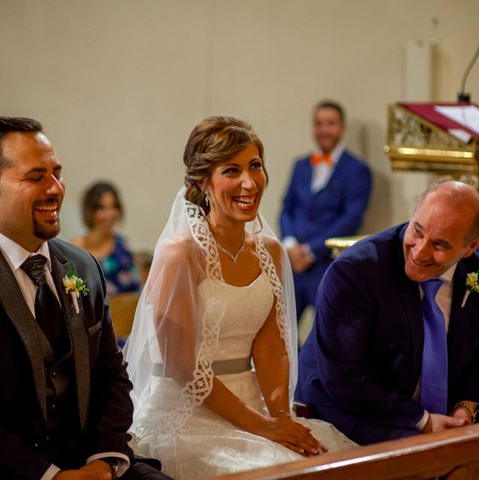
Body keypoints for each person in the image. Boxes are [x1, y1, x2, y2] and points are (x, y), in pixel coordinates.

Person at [0, 117, 170, 480]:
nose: (56, 188)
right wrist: (52, 476)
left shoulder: (82, 265)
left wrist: (104, 461)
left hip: (95, 462)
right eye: (35, 177)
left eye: (57, 173)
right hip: (6, 471)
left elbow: (111, 373)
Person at [124, 116, 356, 479]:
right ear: (203, 181)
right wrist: (261, 428)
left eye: (255, 167)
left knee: (340, 463)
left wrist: (280, 418)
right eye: (231, 170)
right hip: (188, 414)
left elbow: (270, 345)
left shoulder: (271, 251)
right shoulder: (180, 254)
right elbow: (182, 366)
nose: (249, 182)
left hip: (256, 404)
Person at [296, 180, 479, 445]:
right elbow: (344, 378)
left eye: (439, 245)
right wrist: (423, 421)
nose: (420, 251)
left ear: (469, 248)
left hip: (438, 413)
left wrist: (466, 407)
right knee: (433, 460)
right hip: (350, 409)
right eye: (417, 230)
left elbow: (475, 355)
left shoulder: (475, 273)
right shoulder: (355, 272)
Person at [279, 100, 372, 321]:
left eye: (330, 124)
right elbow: (287, 208)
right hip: (292, 264)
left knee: (327, 332)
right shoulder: (300, 165)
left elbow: (351, 219)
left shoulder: (357, 170)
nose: (324, 130)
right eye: (319, 124)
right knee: (279, 331)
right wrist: (290, 245)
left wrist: (311, 251)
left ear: (342, 127)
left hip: (327, 264)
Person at [73, 182, 140, 295]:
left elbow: (136, 290)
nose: (109, 214)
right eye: (102, 208)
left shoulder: (124, 246)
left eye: (113, 207)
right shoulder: (76, 249)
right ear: (90, 211)